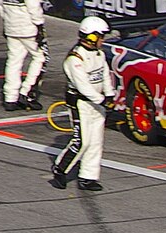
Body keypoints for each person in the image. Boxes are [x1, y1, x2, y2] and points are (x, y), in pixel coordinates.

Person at [50, 16, 112, 192]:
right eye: (101, 36)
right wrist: (103, 100)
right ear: (92, 37)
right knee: (82, 142)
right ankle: (60, 169)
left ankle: (88, 177)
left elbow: (104, 74)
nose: (103, 40)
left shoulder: (99, 54)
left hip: (97, 104)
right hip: (80, 104)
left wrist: (110, 94)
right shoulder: (75, 58)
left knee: (96, 142)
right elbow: (83, 86)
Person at [0, 0, 46, 111]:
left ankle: (10, 98)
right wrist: (39, 26)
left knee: (13, 61)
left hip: (11, 26)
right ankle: (26, 93)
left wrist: (6, 23)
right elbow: (33, 6)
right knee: (41, 57)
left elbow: (1, 6)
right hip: (28, 28)